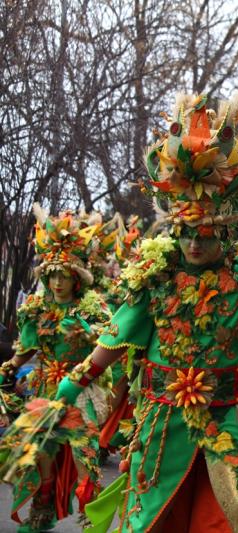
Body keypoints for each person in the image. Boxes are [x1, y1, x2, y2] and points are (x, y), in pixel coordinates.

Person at [42, 93, 238, 532]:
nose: (193, 244)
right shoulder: (155, 278)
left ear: (224, 235)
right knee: (152, 519)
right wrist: (71, 388)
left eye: (205, 235)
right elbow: (112, 342)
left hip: (232, 417)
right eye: (185, 233)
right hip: (164, 420)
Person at [0, 206, 112, 532]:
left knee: (85, 460)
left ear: (76, 279)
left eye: (64, 276)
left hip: (81, 390)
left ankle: (95, 522)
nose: (58, 282)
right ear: (45, 278)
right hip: (46, 391)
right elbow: (27, 348)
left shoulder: (91, 308)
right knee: (43, 460)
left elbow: (106, 344)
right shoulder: (37, 309)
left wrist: (89, 335)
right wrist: (12, 365)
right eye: (52, 276)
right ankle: (40, 515)